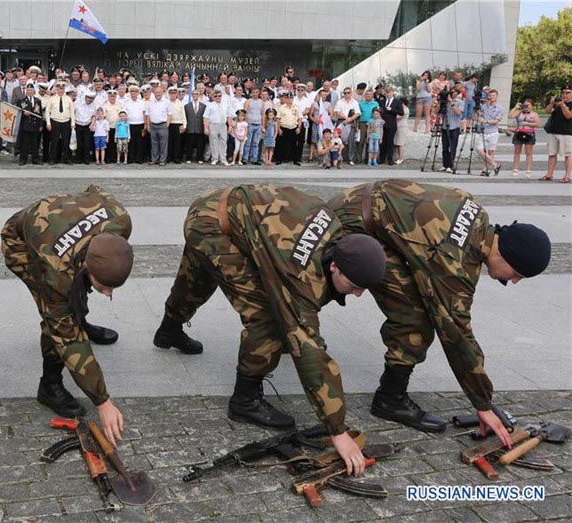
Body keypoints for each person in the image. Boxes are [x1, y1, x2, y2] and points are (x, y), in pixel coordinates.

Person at [153, 185, 387, 477]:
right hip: (213, 225)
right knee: (267, 318)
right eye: (355, 286)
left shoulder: (338, 236)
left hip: (217, 207)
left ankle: (169, 330)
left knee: (196, 277)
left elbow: (312, 291)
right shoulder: (299, 270)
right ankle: (245, 399)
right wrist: (337, 431)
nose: (359, 294)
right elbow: (309, 347)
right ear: (336, 267)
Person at [329, 180, 551, 445]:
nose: (514, 281)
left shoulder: (476, 213)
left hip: (363, 212)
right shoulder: (455, 262)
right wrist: (483, 403)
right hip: (348, 225)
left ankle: (390, 394)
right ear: (507, 256)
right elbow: (457, 335)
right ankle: (390, 399)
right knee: (416, 319)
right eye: (517, 274)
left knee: (415, 309)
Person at [1, 185, 133, 446]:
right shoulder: (56, 269)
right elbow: (66, 337)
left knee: (74, 302)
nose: (107, 294)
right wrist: (102, 401)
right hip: (22, 242)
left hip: (60, 226)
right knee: (59, 318)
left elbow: (93, 190)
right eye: (103, 286)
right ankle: (49, 386)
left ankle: (80, 319)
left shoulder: (120, 220)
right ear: (86, 265)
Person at [540, 86, 572, 183]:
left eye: (568, 92)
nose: (565, 94)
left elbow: (568, 116)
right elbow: (547, 111)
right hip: (553, 131)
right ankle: (549, 174)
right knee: (552, 153)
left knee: (568, 154)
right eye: (563, 92)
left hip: (567, 132)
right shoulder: (557, 103)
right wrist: (552, 103)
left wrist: (563, 105)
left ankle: (567, 176)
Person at [507, 99, 539, 177]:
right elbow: (510, 116)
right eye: (525, 105)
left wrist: (527, 123)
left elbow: (537, 124)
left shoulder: (534, 114)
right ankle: (515, 169)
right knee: (517, 152)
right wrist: (516, 107)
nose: (526, 107)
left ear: (532, 106)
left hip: (529, 133)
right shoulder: (519, 113)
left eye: (528, 105)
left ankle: (528, 170)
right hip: (519, 132)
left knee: (529, 152)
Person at [476, 89, 503, 176]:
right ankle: (495, 165)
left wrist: (486, 121)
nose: (491, 97)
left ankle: (485, 170)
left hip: (493, 131)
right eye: (490, 96)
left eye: (493, 96)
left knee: (490, 152)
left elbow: (497, 121)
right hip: (484, 131)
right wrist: (478, 116)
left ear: (497, 97)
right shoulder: (484, 106)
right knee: (480, 150)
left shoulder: (500, 108)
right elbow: (478, 116)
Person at [17, 83, 44, 166]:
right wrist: (23, 114)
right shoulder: (21, 101)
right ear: (26, 91)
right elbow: (18, 114)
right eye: (28, 90)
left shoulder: (38, 101)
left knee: (35, 144)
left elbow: (40, 114)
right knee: (24, 143)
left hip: (35, 125)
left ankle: (35, 159)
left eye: (31, 90)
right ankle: (23, 159)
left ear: (34, 91)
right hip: (25, 125)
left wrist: (41, 125)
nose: (30, 92)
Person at [441, 84, 464, 173]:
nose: (451, 93)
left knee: (452, 147)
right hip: (444, 126)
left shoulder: (460, 102)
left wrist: (451, 102)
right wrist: (441, 102)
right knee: (445, 147)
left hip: (454, 127)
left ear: (457, 93)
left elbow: (458, 113)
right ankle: (444, 164)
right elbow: (436, 112)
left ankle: (450, 165)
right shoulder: (445, 102)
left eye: (453, 92)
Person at [334, 87, 360, 166]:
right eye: (345, 93)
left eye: (348, 92)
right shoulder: (339, 102)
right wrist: (346, 118)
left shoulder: (355, 102)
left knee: (351, 141)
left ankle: (351, 159)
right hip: (341, 121)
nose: (346, 94)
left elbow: (357, 113)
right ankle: (338, 157)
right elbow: (337, 111)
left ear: (351, 93)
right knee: (338, 140)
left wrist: (350, 119)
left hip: (350, 122)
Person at [146, 86, 171, 165]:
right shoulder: (151, 102)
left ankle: (162, 160)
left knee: (163, 144)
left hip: (163, 125)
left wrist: (167, 124)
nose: (158, 94)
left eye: (159, 92)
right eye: (156, 92)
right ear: (154, 93)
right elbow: (148, 115)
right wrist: (148, 125)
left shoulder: (166, 102)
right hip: (153, 125)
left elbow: (169, 114)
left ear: (162, 92)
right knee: (154, 144)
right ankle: (154, 159)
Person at [204, 89, 230, 165]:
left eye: (219, 96)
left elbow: (228, 116)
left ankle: (223, 159)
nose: (217, 97)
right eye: (215, 96)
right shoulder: (210, 105)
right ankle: (215, 158)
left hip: (223, 125)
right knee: (213, 143)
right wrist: (206, 127)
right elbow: (206, 117)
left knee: (223, 143)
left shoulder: (225, 104)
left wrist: (230, 126)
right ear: (213, 97)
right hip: (213, 125)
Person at [380, 87, 403, 165]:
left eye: (389, 92)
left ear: (392, 92)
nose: (388, 94)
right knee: (382, 142)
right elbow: (380, 111)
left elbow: (401, 113)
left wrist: (392, 109)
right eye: (386, 93)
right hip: (383, 124)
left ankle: (390, 159)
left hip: (392, 124)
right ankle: (381, 159)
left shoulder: (397, 102)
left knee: (390, 142)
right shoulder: (382, 102)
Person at [356, 90, 379, 165]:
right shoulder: (360, 104)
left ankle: (367, 159)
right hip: (362, 123)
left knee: (370, 140)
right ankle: (358, 158)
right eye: (367, 94)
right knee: (361, 141)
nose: (368, 95)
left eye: (370, 94)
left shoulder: (375, 103)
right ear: (364, 95)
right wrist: (357, 125)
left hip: (372, 124)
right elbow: (357, 115)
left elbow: (378, 114)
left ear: (372, 96)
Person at [74, 91, 97, 165]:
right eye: (89, 100)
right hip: (77, 124)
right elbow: (72, 113)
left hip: (87, 125)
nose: (90, 102)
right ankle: (78, 159)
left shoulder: (93, 105)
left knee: (86, 143)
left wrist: (92, 124)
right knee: (79, 143)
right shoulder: (77, 103)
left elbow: (94, 115)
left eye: (92, 100)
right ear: (86, 97)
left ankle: (86, 159)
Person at [183, 90, 206, 164]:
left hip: (200, 128)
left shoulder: (203, 106)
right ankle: (188, 158)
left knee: (200, 144)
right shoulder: (187, 106)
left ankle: (200, 158)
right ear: (192, 95)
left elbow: (205, 117)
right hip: (190, 128)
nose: (195, 95)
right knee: (189, 144)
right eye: (193, 94)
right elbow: (185, 117)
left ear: (199, 95)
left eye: (196, 94)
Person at [243, 87, 264, 165]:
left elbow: (263, 114)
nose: (255, 93)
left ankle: (254, 159)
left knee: (255, 142)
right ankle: (245, 158)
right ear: (251, 93)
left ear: (259, 93)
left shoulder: (261, 102)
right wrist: (245, 124)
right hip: (250, 124)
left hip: (258, 124)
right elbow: (244, 112)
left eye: (256, 92)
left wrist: (263, 125)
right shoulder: (248, 101)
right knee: (248, 142)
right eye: (254, 92)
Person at [167, 86, 186, 164]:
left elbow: (183, 115)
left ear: (177, 94)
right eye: (171, 93)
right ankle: (169, 157)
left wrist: (184, 125)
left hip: (178, 124)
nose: (173, 95)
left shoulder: (180, 103)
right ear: (169, 94)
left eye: (174, 93)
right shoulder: (166, 102)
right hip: (169, 124)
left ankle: (177, 158)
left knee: (177, 143)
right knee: (169, 142)